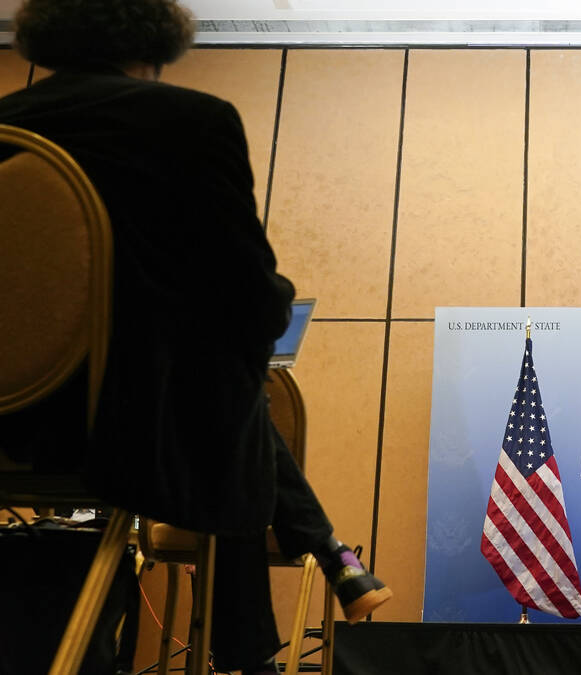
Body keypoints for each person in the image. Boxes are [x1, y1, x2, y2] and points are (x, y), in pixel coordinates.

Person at [0, 1, 390, 672]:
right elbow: (249, 297)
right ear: (157, 44)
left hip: (12, 422)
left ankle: (318, 575)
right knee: (238, 388)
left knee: (229, 388)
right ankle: (257, 640)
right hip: (119, 430)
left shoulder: (9, 127)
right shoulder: (191, 122)